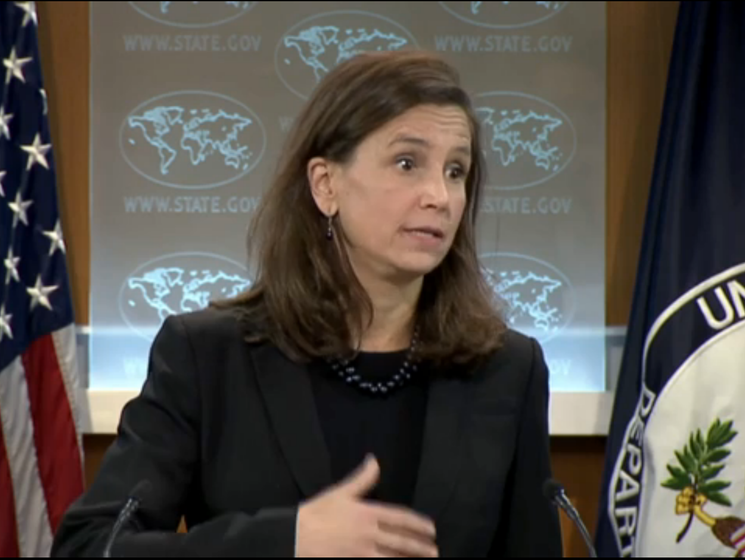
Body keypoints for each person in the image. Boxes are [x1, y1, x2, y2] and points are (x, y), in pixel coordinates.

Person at [51, 50, 563, 558]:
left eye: (456, 170)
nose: (440, 196)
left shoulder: (507, 369)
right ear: (325, 185)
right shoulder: (208, 357)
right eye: (407, 163)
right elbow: (89, 547)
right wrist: (287, 541)